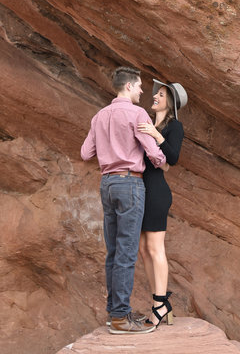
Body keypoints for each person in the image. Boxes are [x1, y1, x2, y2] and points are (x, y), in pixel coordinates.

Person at [80, 67, 169, 335]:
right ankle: (120, 318)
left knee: (114, 252)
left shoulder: (99, 116)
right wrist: (161, 157)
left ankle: (114, 314)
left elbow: (86, 153)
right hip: (130, 183)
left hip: (107, 183)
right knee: (127, 251)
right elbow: (155, 154)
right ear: (128, 86)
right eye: (140, 85)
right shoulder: (137, 114)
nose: (143, 91)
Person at [137, 78, 187, 327]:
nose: (155, 96)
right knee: (143, 250)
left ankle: (160, 305)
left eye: (161, 94)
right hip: (140, 190)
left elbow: (173, 159)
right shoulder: (145, 121)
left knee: (155, 248)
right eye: (156, 93)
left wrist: (156, 134)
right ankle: (158, 301)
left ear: (171, 102)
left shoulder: (173, 126)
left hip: (156, 192)